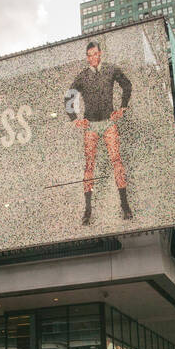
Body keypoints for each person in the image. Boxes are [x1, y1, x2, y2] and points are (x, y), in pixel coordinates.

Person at [66, 40, 134, 226]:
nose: (92, 58)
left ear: (100, 54)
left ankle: (125, 205)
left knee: (116, 160)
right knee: (89, 165)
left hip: (109, 122)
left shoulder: (111, 69)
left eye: (95, 54)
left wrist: (123, 107)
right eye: (89, 55)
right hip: (91, 125)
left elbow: (127, 85)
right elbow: (68, 97)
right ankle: (87, 210)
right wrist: (75, 119)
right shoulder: (82, 76)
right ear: (87, 57)